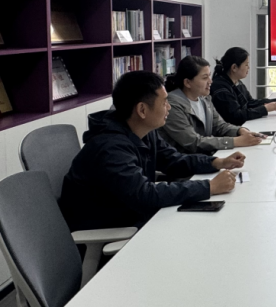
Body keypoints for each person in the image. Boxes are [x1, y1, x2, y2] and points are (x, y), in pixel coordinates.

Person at [60, 71, 244, 231]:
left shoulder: (143, 131)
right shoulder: (110, 147)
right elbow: (144, 195)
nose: (169, 107)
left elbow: (173, 160)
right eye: (164, 102)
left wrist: (217, 162)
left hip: (134, 216)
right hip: (111, 228)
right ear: (142, 110)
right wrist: (209, 187)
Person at [160, 55, 265, 155]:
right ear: (187, 83)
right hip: (186, 164)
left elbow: (220, 126)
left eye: (209, 76)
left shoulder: (204, 99)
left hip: (203, 158)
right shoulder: (172, 105)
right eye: (205, 78)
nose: (210, 81)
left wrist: (240, 131)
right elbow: (193, 142)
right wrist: (235, 141)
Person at [210, 47, 276, 125]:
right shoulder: (221, 88)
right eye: (246, 64)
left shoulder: (236, 82)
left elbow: (250, 103)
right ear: (234, 67)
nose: (248, 67)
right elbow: (237, 117)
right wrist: (265, 109)